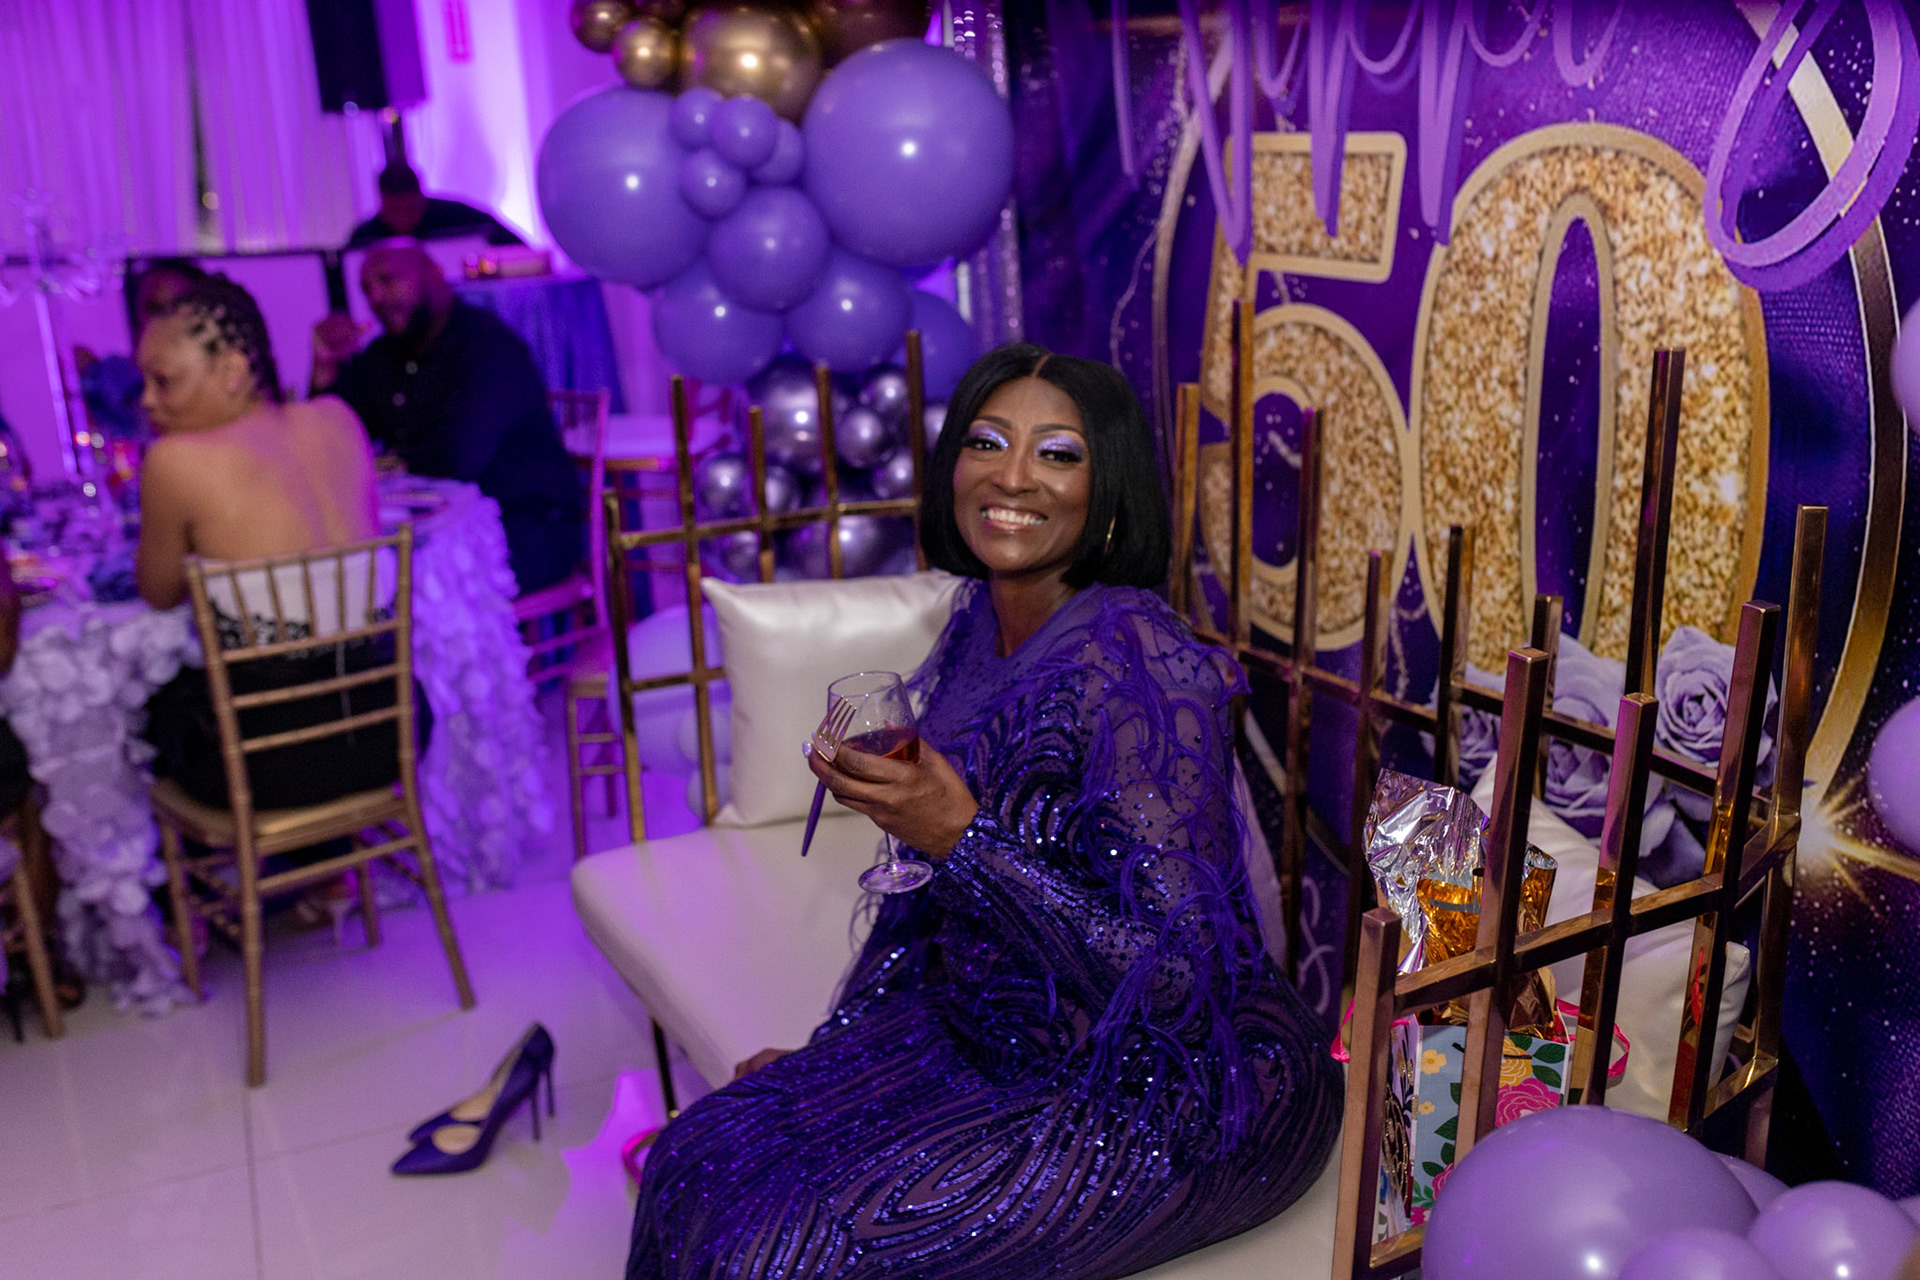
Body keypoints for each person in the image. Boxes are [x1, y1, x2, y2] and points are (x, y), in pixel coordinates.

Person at [624, 346, 1341, 1277]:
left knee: (765, 1257)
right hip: (989, 1025)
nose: (1012, 477)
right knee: (691, 1157)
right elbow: (922, 907)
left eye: (1058, 454)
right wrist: (828, 1050)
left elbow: (1180, 981)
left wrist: (963, 841)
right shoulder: (976, 622)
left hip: (1174, 1092)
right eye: (987, 442)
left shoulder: (1138, 664)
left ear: (1110, 490)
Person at [135, 274, 411, 811]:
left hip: (274, 761)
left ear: (233, 372)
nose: (147, 401)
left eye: (163, 381)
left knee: (153, 716)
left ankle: (252, 861)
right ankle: (327, 860)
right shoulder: (339, 418)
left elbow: (158, 593)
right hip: (391, 731)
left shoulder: (173, 461)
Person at [310, 241, 583, 595]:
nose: (376, 297)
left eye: (388, 280)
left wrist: (391, 461)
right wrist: (325, 368)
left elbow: (459, 456)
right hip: (433, 525)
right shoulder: (384, 354)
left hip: (524, 524)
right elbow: (335, 436)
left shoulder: (487, 347)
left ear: (434, 274)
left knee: (401, 581)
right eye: (367, 289)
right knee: (348, 567)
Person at [346, 164, 522, 249]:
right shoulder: (365, 238)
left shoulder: (459, 218)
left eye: (410, 210)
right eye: (395, 211)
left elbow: (518, 249)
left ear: (421, 198)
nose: (403, 219)